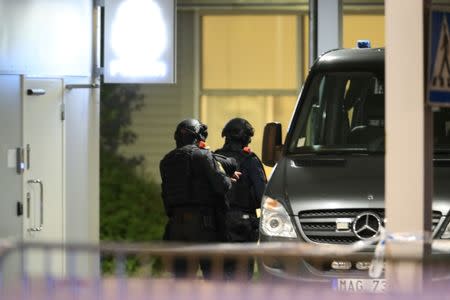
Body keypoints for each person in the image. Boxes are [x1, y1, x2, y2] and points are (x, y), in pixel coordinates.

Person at [160, 118, 238, 279]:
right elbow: (222, 185)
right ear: (198, 136)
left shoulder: (166, 161)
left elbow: (166, 194)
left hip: (175, 225)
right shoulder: (202, 155)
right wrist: (228, 178)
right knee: (213, 276)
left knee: (181, 278)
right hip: (202, 224)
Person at [215, 117, 267, 280]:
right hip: (243, 226)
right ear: (245, 138)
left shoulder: (213, 158)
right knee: (242, 280)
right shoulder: (250, 160)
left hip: (216, 224)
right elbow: (262, 196)